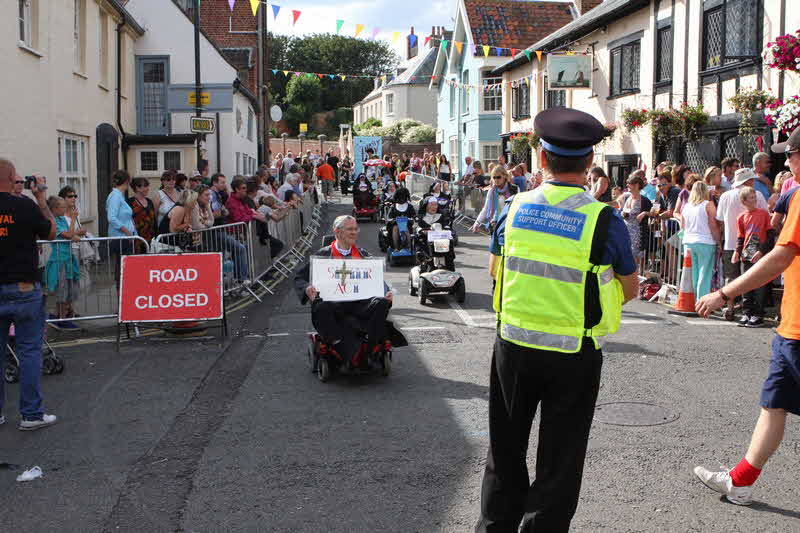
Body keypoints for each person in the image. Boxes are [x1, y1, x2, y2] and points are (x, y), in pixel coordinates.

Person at [476, 108, 639, 533]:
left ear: (543, 160)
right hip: (574, 352)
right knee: (560, 460)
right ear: (589, 164)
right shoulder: (605, 219)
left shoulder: (513, 207)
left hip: (513, 346)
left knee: (505, 450)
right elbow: (632, 288)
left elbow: (496, 269)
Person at [693, 126, 800, 507]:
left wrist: (725, 292)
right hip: (791, 324)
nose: (787, 160)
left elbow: (780, 256)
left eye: (791, 154)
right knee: (773, 404)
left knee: (775, 404)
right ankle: (740, 482)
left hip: (799, 328)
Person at [0, 159, 58, 430]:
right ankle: (31, 415)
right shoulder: (25, 206)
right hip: (23, 288)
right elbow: (51, 232)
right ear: (12, 178)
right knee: (29, 351)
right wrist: (41, 199)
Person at [294, 215, 393, 365]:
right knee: (320, 306)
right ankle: (337, 343)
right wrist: (307, 288)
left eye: (355, 229)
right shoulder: (322, 256)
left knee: (381, 302)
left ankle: (371, 346)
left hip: (359, 305)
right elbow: (298, 278)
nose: (354, 232)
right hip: (334, 306)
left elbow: (377, 281)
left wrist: (386, 291)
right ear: (338, 232)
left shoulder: (363, 256)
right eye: (350, 229)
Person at [715, 167, 769, 320]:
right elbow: (766, 216)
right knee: (752, 277)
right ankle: (752, 311)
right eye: (752, 180)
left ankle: (730, 307)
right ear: (748, 181)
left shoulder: (725, 196)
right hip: (752, 244)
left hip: (731, 242)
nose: (754, 182)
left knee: (731, 277)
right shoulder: (756, 194)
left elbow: (719, 220)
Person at [732, 186, 775, 328]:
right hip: (747, 255)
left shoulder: (763, 214)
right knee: (746, 284)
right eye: (751, 198)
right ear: (744, 201)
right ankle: (747, 312)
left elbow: (770, 235)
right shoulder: (741, 217)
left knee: (760, 285)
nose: (754, 200)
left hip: (760, 254)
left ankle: (758, 314)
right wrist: (737, 252)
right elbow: (741, 237)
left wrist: (761, 251)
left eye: (755, 197)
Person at [678, 181, 722, 299]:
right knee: (705, 273)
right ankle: (701, 300)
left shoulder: (687, 206)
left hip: (688, 242)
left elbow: (683, 226)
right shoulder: (708, 205)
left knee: (694, 273)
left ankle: (694, 299)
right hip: (706, 242)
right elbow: (713, 226)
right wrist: (719, 242)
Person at [45, 196, 81, 328]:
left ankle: (64, 315)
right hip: (59, 259)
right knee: (62, 289)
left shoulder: (60, 219)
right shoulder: (53, 220)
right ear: (55, 209)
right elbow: (67, 234)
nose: (65, 209)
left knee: (71, 288)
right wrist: (72, 219)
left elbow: (71, 235)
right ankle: (61, 318)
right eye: (63, 207)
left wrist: (76, 236)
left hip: (68, 258)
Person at [617, 172, 652, 267]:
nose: (627, 185)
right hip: (625, 231)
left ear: (636, 185)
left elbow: (654, 214)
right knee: (626, 256)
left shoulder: (644, 200)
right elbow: (619, 209)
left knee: (634, 258)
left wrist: (645, 213)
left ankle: (636, 278)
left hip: (637, 233)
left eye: (630, 183)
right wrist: (622, 213)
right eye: (627, 183)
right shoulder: (626, 197)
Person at [471, 166, 518, 234]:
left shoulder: (514, 189)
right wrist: (477, 222)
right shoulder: (491, 191)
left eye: (498, 177)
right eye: (494, 177)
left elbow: (519, 208)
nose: (496, 179)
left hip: (510, 225)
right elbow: (486, 209)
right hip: (495, 224)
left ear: (504, 176)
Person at [128, 178, 156, 251]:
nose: (148, 189)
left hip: (150, 239)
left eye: (147, 186)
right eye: (145, 186)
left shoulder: (149, 201)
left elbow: (154, 220)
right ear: (137, 188)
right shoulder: (130, 202)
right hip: (136, 239)